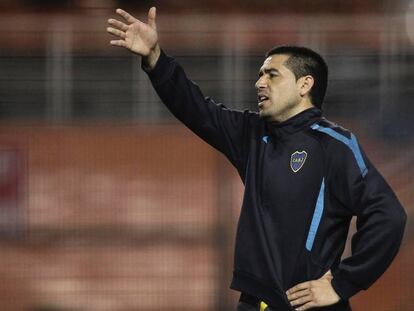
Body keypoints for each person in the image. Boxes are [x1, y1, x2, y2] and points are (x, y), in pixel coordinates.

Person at [106, 7, 407, 311]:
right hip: (253, 302)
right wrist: (155, 59)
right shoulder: (252, 134)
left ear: (305, 85)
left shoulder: (334, 145)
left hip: (307, 305)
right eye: (260, 74)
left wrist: (342, 283)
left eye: (272, 75)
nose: (259, 83)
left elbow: (389, 216)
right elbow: (196, 108)